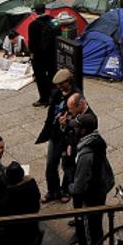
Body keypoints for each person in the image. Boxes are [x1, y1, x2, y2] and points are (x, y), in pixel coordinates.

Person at [67, 110, 111, 245]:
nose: (74, 129)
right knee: (96, 226)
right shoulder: (96, 140)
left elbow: (79, 186)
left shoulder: (86, 154)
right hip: (99, 192)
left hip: (89, 197)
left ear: (84, 130)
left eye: (76, 127)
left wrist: (70, 188)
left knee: (88, 231)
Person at [36, 69, 80, 203]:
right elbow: (50, 113)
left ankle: (66, 190)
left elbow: (81, 116)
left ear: (69, 81)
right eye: (58, 84)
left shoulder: (76, 96)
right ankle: (52, 190)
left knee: (67, 165)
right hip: (54, 134)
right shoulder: (56, 93)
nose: (59, 86)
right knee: (51, 164)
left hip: (67, 137)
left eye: (62, 83)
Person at [0, 162, 42, 245]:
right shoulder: (32, 184)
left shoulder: (8, 198)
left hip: (15, 233)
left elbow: (1, 214)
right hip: (32, 226)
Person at [26, 5, 58, 106]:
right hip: (52, 54)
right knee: (53, 75)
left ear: (35, 12)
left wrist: (32, 54)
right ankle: (54, 97)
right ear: (45, 10)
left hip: (39, 57)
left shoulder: (33, 25)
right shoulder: (53, 21)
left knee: (41, 78)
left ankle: (44, 98)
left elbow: (32, 43)